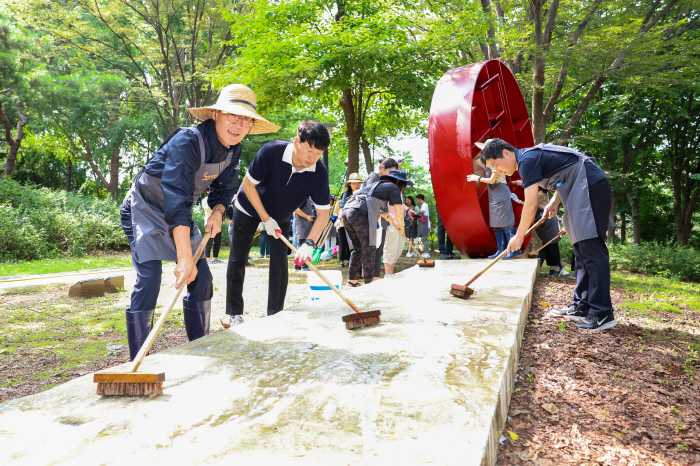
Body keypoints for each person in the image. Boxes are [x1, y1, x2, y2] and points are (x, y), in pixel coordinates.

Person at [119, 84, 279, 360]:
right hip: (145, 208)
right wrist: (184, 257)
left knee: (202, 277)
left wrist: (217, 212)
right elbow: (177, 197)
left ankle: (199, 348)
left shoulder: (233, 149)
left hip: (180, 211)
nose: (238, 124)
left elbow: (225, 188)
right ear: (216, 114)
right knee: (150, 277)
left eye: (245, 119)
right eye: (233, 115)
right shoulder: (187, 142)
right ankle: (138, 360)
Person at [480, 138, 616, 332]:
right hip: (576, 188)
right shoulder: (529, 159)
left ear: (506, 153)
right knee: (580, 249)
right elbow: (563, 174)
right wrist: (554, 202)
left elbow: (531, 203)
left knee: (590, 248)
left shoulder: (527, 159)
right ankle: (582, 304)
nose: (497, 171)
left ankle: (602, 312)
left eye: (495, 165)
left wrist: (519, 236)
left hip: (590, 185)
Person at [224, 121, 331, 326]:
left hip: (281, 216)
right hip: (248, 207)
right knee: (238, 258)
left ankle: (275, 314)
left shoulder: (319, 172)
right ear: (297, 142)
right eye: (310, 151)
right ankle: (235, 312)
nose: (313, 158)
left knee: (280, 264)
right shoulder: (272, 151)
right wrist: (265, 219)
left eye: (319, 153)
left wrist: (309, 244)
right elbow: (247, 185)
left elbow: (323, 214)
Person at [342, 170, 412, 286]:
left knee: (357, 248)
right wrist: (401, 227)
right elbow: (398, 212)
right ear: (399, 181)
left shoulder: (374, 186)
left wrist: (384, 214)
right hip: (359, 213)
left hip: (347, 211)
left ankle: (352, 281)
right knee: (369, 248)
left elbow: (367, 202)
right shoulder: (393, 187)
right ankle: (369, 285)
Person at [467, 158, 520, 259]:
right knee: (496, 224)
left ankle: (514, 250)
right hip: (493, 194)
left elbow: (492, 180)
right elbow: (475, 162)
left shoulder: (496, 164)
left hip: (501, 190)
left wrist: (477, 178)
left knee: (506, 222)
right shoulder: (487, 163)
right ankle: (501, 250)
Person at [336, 172, 363, 268]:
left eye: (358, 183)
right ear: (349, 184)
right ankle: (348, 263)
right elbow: (341, 207)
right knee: (347, 242)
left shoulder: (364, 193)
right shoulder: (346, 195)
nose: (357, 185)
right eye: (354, 183)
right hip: (347, 222)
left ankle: (358, 265)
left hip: (360, 222)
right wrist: (339, 219)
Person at [293, 199, 315, 271]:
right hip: (302, 225)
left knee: (301, 245)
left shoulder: (308, 199)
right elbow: (296, 209)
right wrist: (307, 217)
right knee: (303, 245)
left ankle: (297, 265)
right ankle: (304, 266)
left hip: (306, 225)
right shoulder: (303, 198)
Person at [203, 189, 223, 264]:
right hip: (208, 223)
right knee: (209, 241)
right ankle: (207, 259)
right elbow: (209, 208)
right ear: (207, 192)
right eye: (209, 190)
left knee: (217, 241)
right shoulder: (204, 200)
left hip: (218, 224)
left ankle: (215, 258)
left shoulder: (218, 200)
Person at [415, 194, 431, 258]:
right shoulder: (423, 205)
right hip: (423, 224)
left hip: (424, 224)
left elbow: (422, 211)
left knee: (425, 238)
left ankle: (427, 253)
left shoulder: (424, 205)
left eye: (417, 200)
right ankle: (425, 252)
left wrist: (420, 216)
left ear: (420, 199)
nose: (417, 201)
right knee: (423, 238)